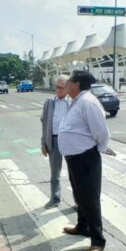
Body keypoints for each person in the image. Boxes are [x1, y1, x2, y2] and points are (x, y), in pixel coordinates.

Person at [59, 70, 112, 251]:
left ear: (77, 84)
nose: (65, 84)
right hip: (74, 158)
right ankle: (82, 226)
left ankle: (98, 240)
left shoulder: (88, 102)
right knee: (79, 194)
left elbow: (101, 132)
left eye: (69, 81)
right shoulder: (76, 101)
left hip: (86, 157)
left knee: (90, 198)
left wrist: (97, 150)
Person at [40, 75, 71, 209]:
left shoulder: (73, 102)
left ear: (67, 88)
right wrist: (43, 143)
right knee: (55, 173)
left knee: (75, 172)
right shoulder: (49, 102)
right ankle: (55, 198)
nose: (57, 90)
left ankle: (78, 201)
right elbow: (44, 122)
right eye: (56, 87)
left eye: (61, 87)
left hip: (70, 141)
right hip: (53, 139)